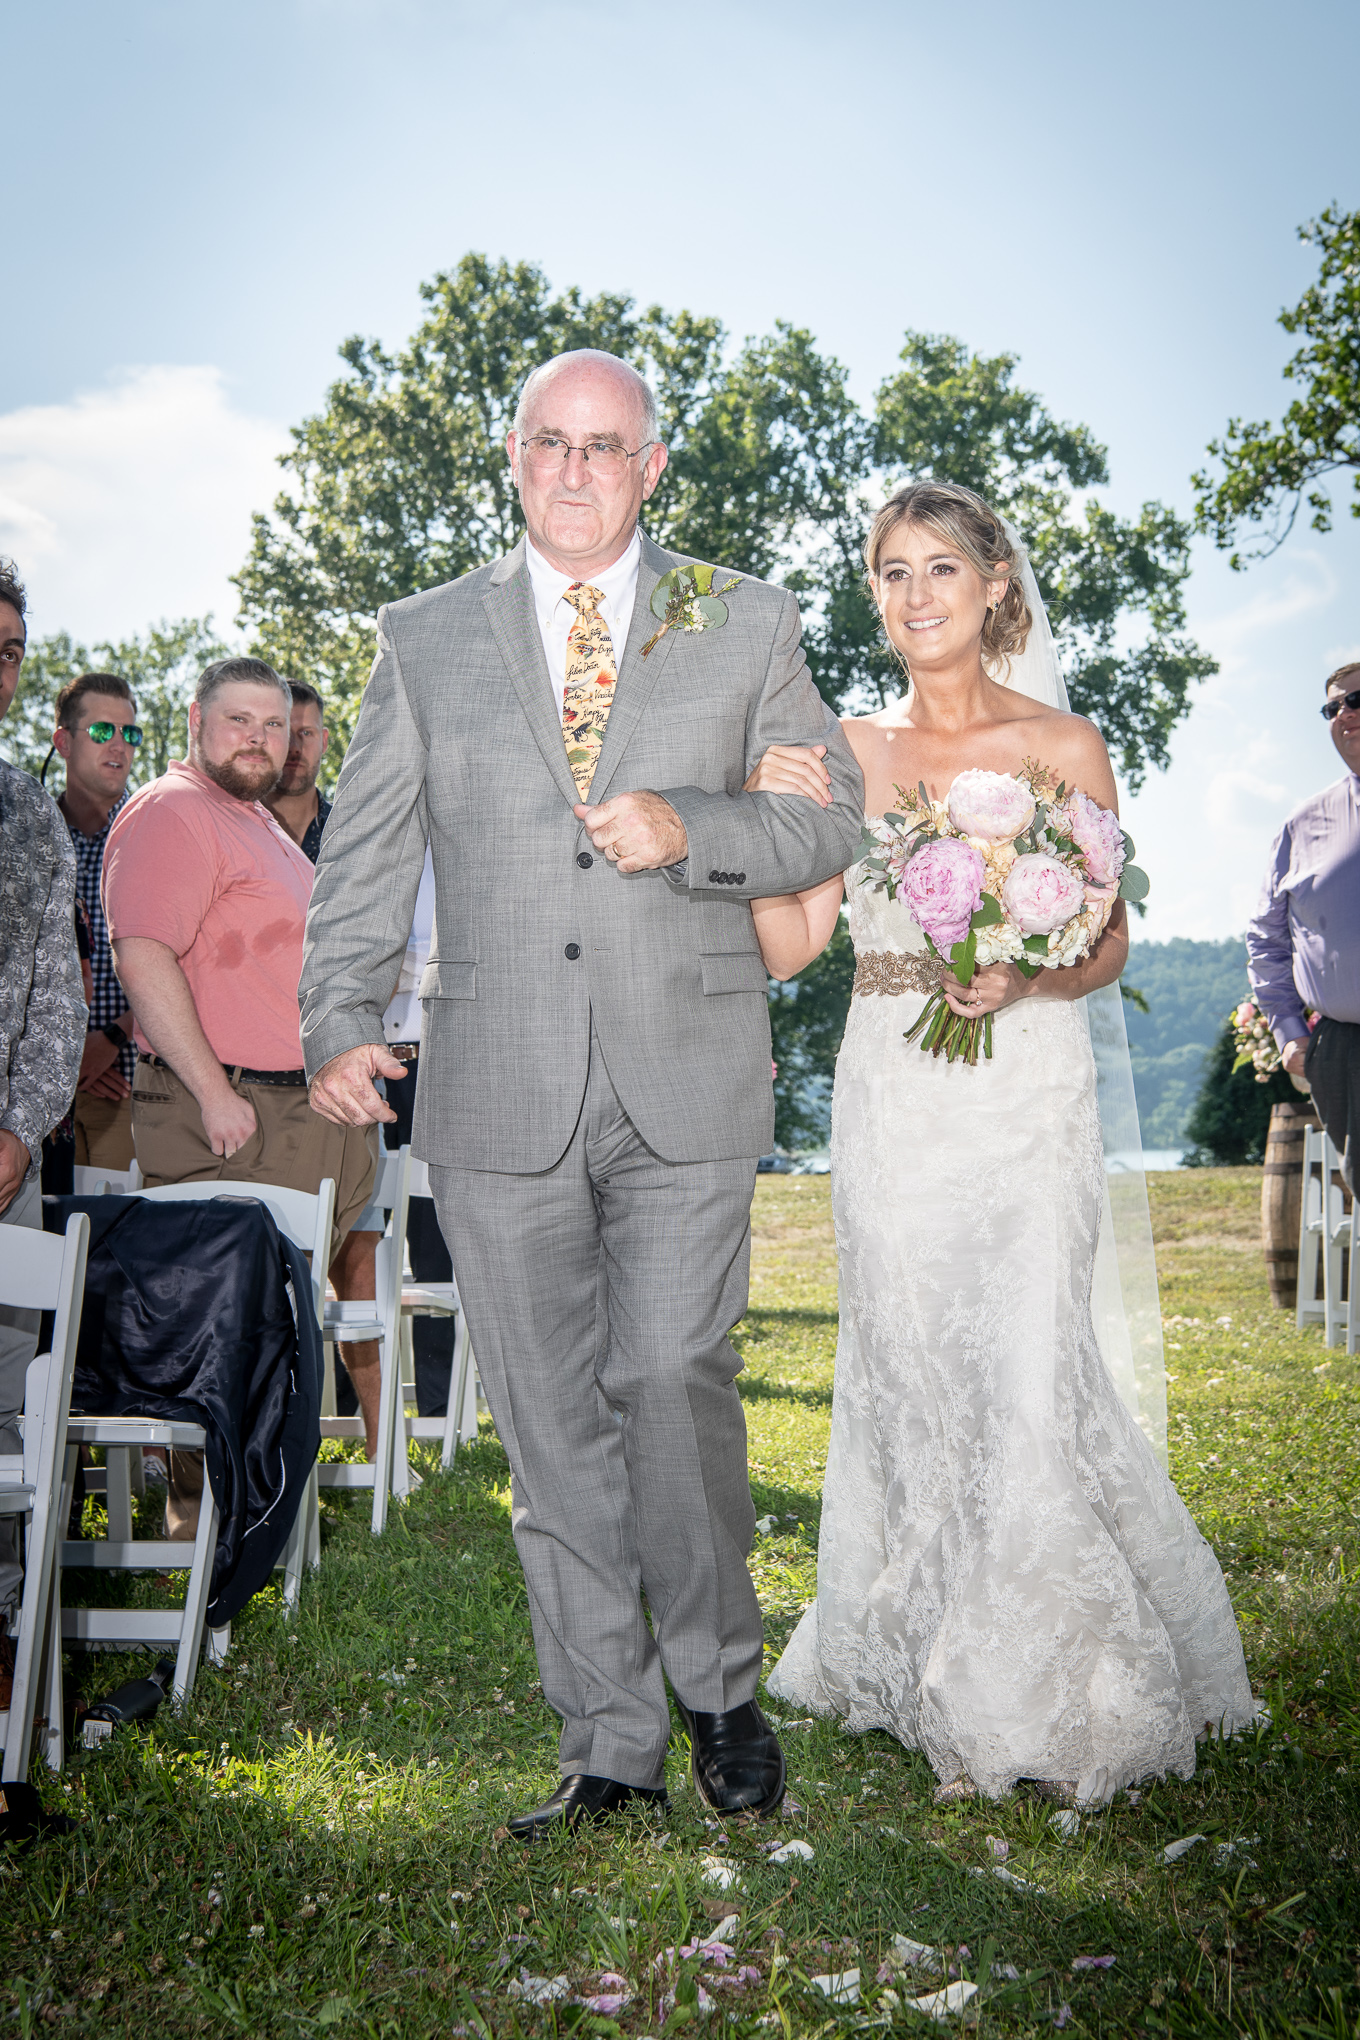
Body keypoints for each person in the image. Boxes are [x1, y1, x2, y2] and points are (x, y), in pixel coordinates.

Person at [299, 348, 864, 1839]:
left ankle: (722, 1691)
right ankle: (609, 1745)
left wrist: (693, 825)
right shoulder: (425, 637)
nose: (572, 469)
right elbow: (367, 846)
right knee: (549, 1425)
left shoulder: (743, 621)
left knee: (672, 1380)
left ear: (653, 467)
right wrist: (337, 1015)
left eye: (604, 447)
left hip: (685, 1067)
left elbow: (829, 819)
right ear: (510, 452)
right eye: (548, 442)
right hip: (492, 1081)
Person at [752, 483, 1255, 1805]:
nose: (915, 595)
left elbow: (1107, 941)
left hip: (1026, 1090)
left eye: (940, 571)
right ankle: (906, 1638)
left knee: (1031, 1366)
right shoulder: (841, 749)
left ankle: (1042, 1685)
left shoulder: (1066, 743)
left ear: (993, 589)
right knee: (917, 1371)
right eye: (891, 573)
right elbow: (793, 943)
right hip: (892, 1096)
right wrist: (757, 817)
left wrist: (1023, 983)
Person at [102, 656, 380, 1536]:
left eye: (275, 725)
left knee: (275, 1332)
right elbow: (141, 955)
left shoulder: (253, 822)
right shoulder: (173, 811)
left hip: (301, 1116)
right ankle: (198, 1528)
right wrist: (216, 1093)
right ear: (197, 719)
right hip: (231, 1116)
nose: (261, 739)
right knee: (212, 1330)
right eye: (240, 721)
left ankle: (261, 1518)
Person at [0, 559, 87, 1704]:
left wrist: (20, 1130)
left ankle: (6, 1722)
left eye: (11, 651)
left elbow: (55, 996)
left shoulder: (24, 808)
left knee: (7, 1434)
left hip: (4, 1172)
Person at [1247, 663, 1360, 1189]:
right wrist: (1290, 1034)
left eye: (1357, 700)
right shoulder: (1303, 824)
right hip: (1344, 1054)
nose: (1345, 714)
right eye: (1333, 707)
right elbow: (1267, 939)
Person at [45, 672, 144, 1171]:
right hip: (33, 1102)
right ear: (63, 741)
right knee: (34, 1247)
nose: (120, 745)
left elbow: (194, 958)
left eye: (130, 732)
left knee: (114, 1246)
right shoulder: (24, 836)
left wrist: (112, 1041)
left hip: (132, 1089)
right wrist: (71, 1060)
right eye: (103, 731)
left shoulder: (155, 833)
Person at [264, 680, 332, 858]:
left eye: (306, 733)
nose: (294, 747)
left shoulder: (350, 832)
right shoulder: (231, 826)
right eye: (283, 731)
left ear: (323, 741)